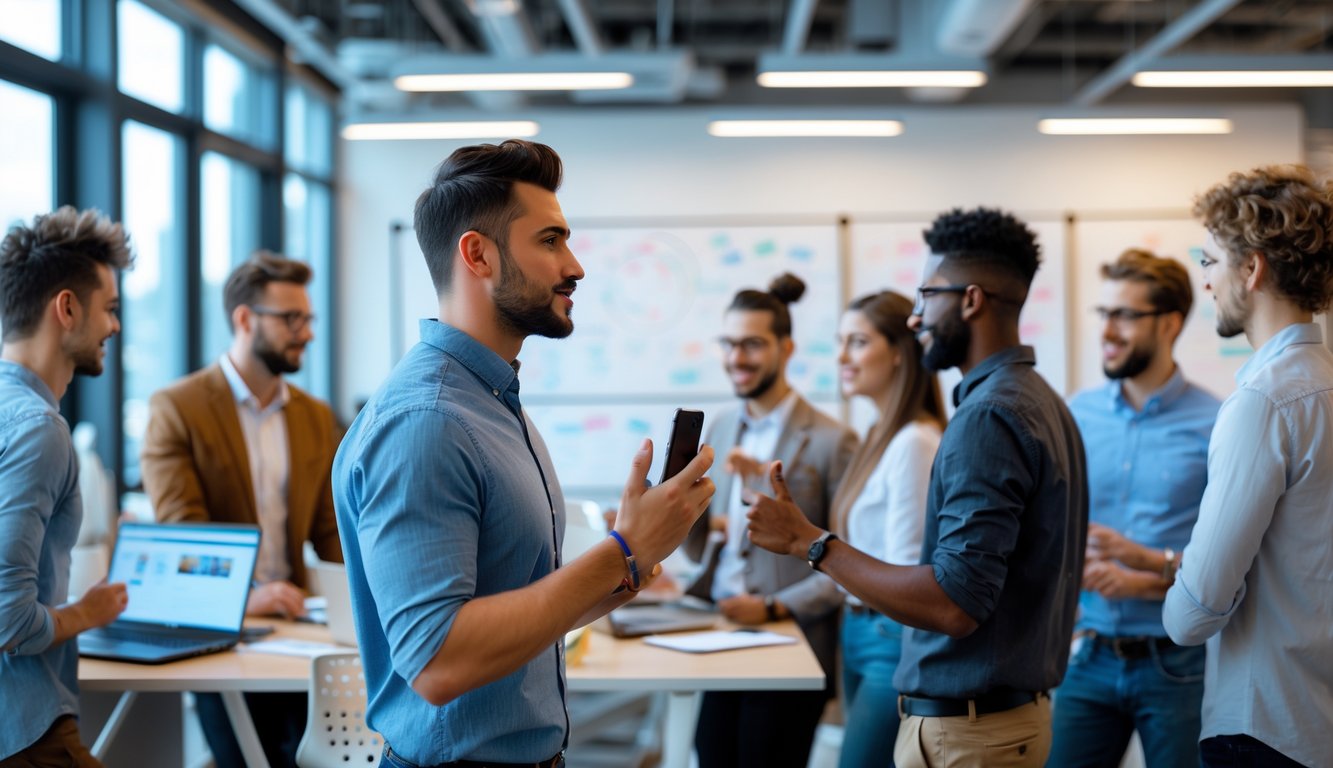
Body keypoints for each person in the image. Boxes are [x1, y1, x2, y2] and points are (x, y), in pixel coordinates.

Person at [332, 139, 715, 768]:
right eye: (550, 241)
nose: (575, 265)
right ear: (478, 255)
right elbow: (438, 659)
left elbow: (536, 608)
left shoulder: (491, 401)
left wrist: (638, 553)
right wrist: (623, 549)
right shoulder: (427, 422)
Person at [747, 207, 1088, 768]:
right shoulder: (1041, 400)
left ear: (971, 300)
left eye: (927, 295)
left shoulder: (987, 417)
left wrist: (810, 543)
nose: (915, 318)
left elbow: (955, 604)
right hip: (1001, 720)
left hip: (969, 732)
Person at [140, 252, 343, 768]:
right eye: (291, 319)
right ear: (245, 319)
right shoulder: (177, 408)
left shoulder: (315, 417)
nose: (306, 333)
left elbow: (331, 534)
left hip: (300, 627)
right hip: (224, 626)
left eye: (308, 319)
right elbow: (185, 534)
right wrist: (249, 596)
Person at [1162, 164, 1333, 768]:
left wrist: (1172, 586)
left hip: (1264, 727)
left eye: (1209, 261)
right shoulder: (1324, 384)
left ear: (1251, 268)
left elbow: (1193, 613)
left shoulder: (1263, 402)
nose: (1205, 280)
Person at [1049, 249, 1221, 768]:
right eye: (1103, 314)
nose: (1107, 330)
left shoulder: (1217, 423)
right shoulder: (1076, 413)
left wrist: (1142, 579)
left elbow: (1232, 561)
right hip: (1088, 654)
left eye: (1124, 315)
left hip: (1177, 661)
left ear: (1169, 323)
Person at [683, 273, 858, 768]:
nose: (737, 358)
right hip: (720, 630)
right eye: (730, 344)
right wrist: (675, 514)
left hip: (790, 641)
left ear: (786, 348)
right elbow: (709, 544)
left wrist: (772, 607)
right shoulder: (719, 425)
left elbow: (851, 564)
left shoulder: (832, 440)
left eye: (753, 345)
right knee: (711, 754)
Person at [0, 207, 132, 767]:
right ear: (68, 307)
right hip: (24, 726)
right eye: (109, 309)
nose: (115, 327)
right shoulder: (40, 431)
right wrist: (88, 611)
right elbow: (7, 617)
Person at [828, 290, 945, 768]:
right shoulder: (881, 435)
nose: (842, 357)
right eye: (841, 342)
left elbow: (906, 569)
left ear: (899, 351)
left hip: (888, 636)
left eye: (857, 342)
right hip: (857, 630)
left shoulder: (915, 441)